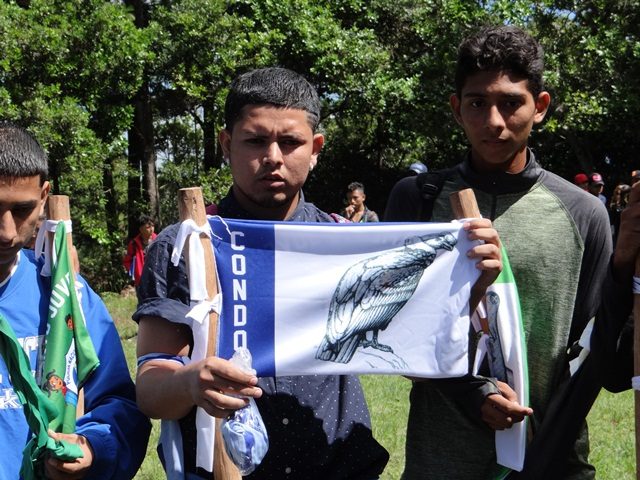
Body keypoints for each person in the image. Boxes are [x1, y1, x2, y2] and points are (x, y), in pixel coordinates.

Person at [134, 67, 390, 479]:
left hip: (341, 467)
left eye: (290, 142)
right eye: (255, 141)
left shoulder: (346, 244)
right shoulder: (185, 246)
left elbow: (416, 351)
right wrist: (189, 384)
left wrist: (466, 277)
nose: (273, 157)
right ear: (226, 144)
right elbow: (151, 389)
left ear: (316, 148)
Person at [385, 25, 611, 479]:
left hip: (549, 459)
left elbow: (591, 353)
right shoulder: (416, 200)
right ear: (456, 109)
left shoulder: (583, 213)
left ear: (539, 107)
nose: (493, 120)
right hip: (441, 462)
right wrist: (473, 393)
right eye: (477, 103)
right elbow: (393, 338)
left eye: (510, 103)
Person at [0, 122, 150, 479]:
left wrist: (91, 448)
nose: (6, 232)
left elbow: (118, 405)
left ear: (43, 197)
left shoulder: (68, 296)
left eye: (21, 210)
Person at [122, 213, 156, 293]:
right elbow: (127, 261)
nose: (151, 229)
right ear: (141, 229)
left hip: (156, 278)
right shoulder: (134, 244)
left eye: (152, 226)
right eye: (148, 227)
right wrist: (135, 272)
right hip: (141, 280)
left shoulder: (159, 240)